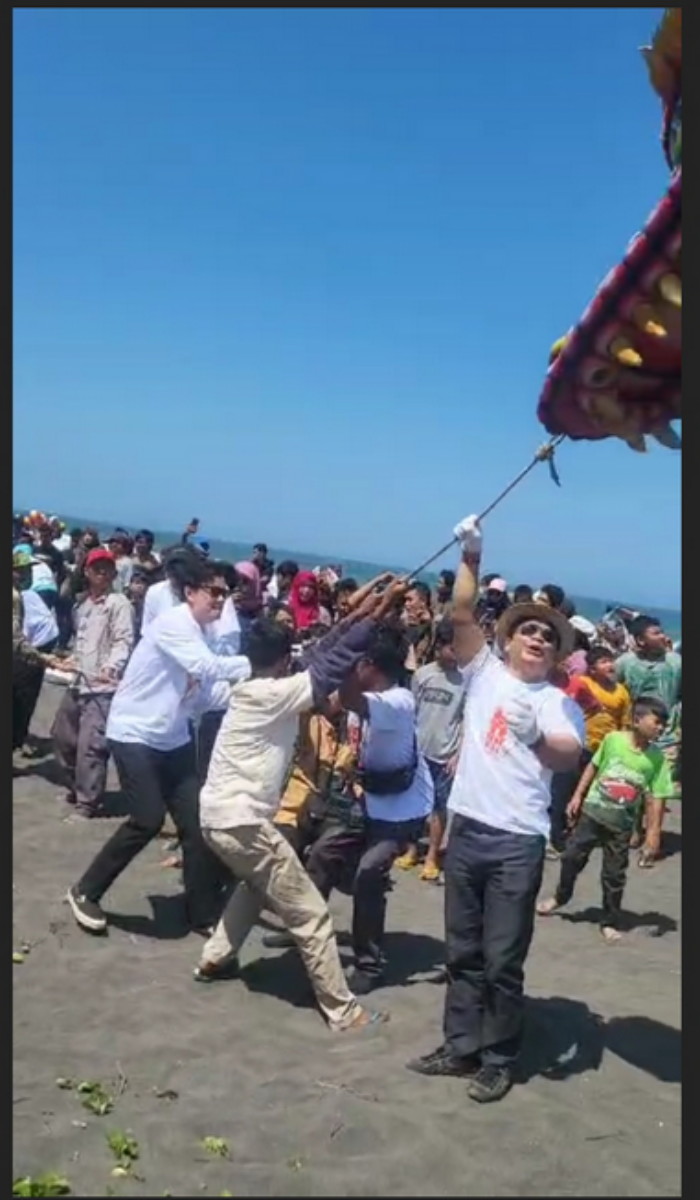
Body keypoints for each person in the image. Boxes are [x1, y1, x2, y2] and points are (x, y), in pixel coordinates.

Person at [408, 514, 584, 1103]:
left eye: (547, 636)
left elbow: (566, 755)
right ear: (507, 639)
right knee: (462, 952)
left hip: (517, 840)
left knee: (502, 958)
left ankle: (500, 1057)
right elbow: (461, 613)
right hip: (469, 830)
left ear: (556, 654)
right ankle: (461, 1048)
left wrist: (535, 736)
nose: (536, 638)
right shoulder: (482, 672)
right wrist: (472, 557)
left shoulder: (558, 702)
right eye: (527, 630)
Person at [193, 582, 407, 1032]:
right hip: (243, 824)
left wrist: (371, 609)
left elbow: (326, 649)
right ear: (282, 657)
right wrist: (382, 610)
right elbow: (329, 665)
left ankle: (214, 959)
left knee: (254, 888)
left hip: (219, 820)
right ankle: (344, 1012)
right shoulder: (273, 695)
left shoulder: (255, 684)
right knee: (310, 914)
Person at [65, 556, 250, 934]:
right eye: (214, 593)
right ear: (191, 592)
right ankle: (85, 890)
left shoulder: (207, 633)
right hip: (133, 732)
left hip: (174, 737)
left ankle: (201, 913)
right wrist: (256, 664)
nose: (220, 601)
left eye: (226, 595)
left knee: (197, 826)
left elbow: (206, 694)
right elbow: (207, 668)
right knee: (147, 818)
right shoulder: (174, 624)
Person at [537, 698, 673, 942]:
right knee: (571, 857)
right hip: (592, 814)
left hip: (620, 825)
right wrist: (577, 796)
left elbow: (657, 798)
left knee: (614, 875)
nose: (661, 728)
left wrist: (653, 835)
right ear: (636, 720)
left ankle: (609, 919)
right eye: (657, 722)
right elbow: (593, 766)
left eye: (664, 724)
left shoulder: (656, 759)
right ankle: (561, 896)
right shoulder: (614, 740)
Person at [51, 549, 135, 818]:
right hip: (77, 681)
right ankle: (77, 787)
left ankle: (88, 802)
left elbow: (124, 640)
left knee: (92, 746)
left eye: (107, 568)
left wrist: (113, 666)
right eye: (96, 567)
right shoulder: (82, 605)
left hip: (102, 687)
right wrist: (68, 660)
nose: (102, 572)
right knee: (62, 737)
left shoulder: (119, 603)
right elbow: (81, 642)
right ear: (86, 571)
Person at [395, 618, 464, 880]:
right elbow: (411, 712)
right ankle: (412, 849)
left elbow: (467, 719)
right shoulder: (423, 675)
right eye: (452, 648)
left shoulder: (465, 681)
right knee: (414, 805)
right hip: (418, 750)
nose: (456, 654)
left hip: (445, 755)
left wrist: (458, 754)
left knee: (439, 807)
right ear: (440, 647)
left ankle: (433, 855)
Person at [614, 615, 681, 862]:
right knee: (635, 784)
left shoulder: (675, 662)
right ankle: (634, 830)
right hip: (633, 734)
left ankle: (653, 841)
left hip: (668, 735)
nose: (663, 636)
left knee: (659, 788)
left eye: (662, 631)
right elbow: (615, 693)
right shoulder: (625, 663)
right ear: (640, 640)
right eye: (655, 633)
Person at [13, 546, 61, 752]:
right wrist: (43, 658)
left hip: (31, 648)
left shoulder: (25, 595)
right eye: (21, 570)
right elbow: (15, 638)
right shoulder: (16, 596)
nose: (26, 574)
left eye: (28, 570)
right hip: (26, 653)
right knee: (19, 705)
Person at [567, 646, 632, 753]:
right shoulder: (583, 683)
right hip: (584, 743)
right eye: (604, 662)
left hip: (609, 746)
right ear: (592, 669)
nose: (610, 665)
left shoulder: (621, 690)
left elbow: (625, 722)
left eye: (611, 661)